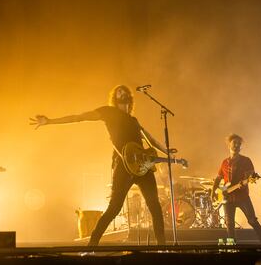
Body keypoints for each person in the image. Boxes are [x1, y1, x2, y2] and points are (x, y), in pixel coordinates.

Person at [30, 85, 166, 246]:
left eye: (124, 91)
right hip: (123, 164)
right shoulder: (108, 112)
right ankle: (92, 244)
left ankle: (162, 248)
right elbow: (79, 117)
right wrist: (50, 121)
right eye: (118, 92)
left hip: (143, 167)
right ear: (114, 97)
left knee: (155, 207)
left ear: (129, 97)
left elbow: (150, 139)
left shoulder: (133, 120)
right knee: (114, 207)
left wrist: (167, 151)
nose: (121, 93)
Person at [211, 133, 261, 244]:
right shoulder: (224, 162)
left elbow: (250, 177)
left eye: (239, 144)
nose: (236, 145)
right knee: (229, 224)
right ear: (229, 145)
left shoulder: (246, 161)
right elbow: (218, 178)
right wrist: (213, 191)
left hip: (242, 197)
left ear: (241, 147)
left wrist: (245, 182)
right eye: (234, 143)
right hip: (227, 198)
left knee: (252, 220)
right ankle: (233, 248)